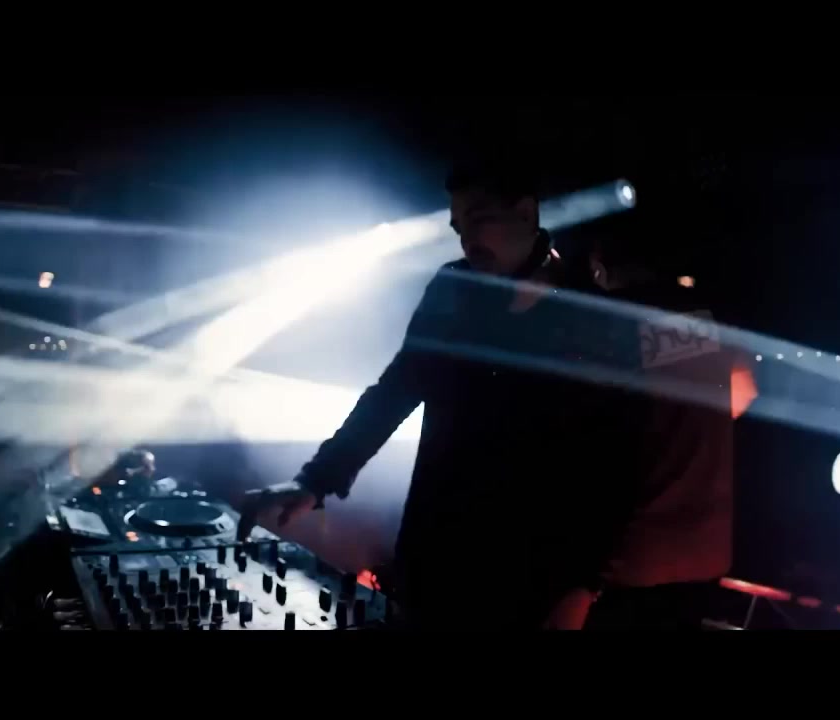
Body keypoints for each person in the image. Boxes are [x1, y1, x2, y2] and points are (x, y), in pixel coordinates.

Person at [239, 157, 642, 630]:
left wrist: (582, 585)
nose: (467, 240)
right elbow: (393, 393)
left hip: (531, 577)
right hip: (435, 559)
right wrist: (315, 481)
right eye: (458, 228)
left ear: (526, 213)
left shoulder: (590, 314)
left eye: (479, 220)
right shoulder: (453, 288)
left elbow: (614, 462)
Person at [577, 209, 754, 630]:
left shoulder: (612, 323)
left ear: (600, 266)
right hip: (702, 553)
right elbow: (745, 392)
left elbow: (597, 442)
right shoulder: (706, 317)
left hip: (632, 560)